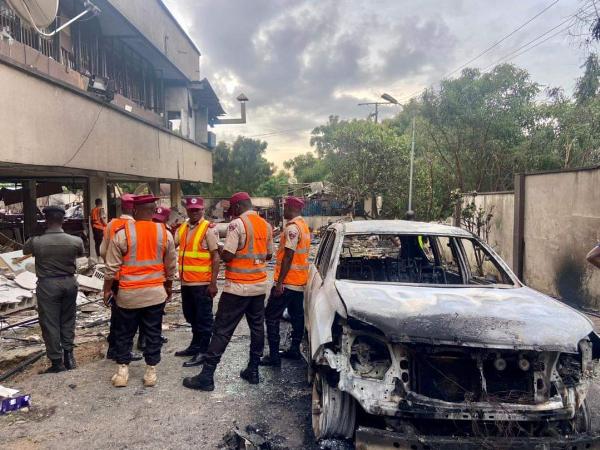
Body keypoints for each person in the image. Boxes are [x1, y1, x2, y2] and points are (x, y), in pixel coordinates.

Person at [183, 192, 273, 391]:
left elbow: (228, 256)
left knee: (222, 331)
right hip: (258, 287)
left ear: (239, 206)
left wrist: (222, 250)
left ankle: (207, 376)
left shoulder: (237, 225)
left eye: (232, 209)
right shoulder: (265, 225)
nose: (231, 213)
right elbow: (268, 254)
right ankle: (253, 370)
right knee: (257, 328)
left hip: (237, 289)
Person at [102, 194, 177, 388]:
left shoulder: (122, 233)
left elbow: (111, 268)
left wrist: (107, 290)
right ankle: (150, 372)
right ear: (153, 211)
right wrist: (168, 286)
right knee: (153, 331)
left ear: (134, 211)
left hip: (129, 295)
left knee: (124, 332)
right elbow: (171, 266)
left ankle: (122, 372)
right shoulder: (164, 233)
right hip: (154, 293)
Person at [23, 206, 85, 373]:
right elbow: (80, 254)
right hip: (69, 283)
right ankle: (69, 357)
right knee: (68, 320)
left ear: (46, 221)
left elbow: (24, 250)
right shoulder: (75, 241)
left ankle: (57, 363)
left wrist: (35, 233)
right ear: (63, 220)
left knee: (50, 323)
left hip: (48, 285)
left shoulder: (36, 241)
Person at [260, 197, 310, 367]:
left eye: (285, 207)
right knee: (297, 315)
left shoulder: (293, 229)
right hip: (299, 282)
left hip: (287, 282)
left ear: (291, 208)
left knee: (271, 315)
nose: (284, 210)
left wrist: (279, 282)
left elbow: (288, 255)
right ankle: (294, 349)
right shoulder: (303, 226)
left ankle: (274, 357)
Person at [173, 197, 220, 367]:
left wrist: (213, 283)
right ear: (187, 210)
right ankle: (195, 345)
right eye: (191, 209)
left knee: (204, 320)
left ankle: (203, 351)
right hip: (186, 283)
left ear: (202, 210)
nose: (194, 212)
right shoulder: (183, 227)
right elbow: (173, 244)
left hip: (202, 284)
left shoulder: (208, 229)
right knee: (190, 316)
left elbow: (216, 257)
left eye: (197, 210)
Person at [100, 194, 142, 362]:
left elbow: (103, 251)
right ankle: (123, 351)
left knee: (116, 314)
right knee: (129, 317)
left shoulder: (111, 224)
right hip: (130, 279)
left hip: (114, 278)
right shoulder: (135, 226)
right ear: (134, 208)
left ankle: (113, 348)